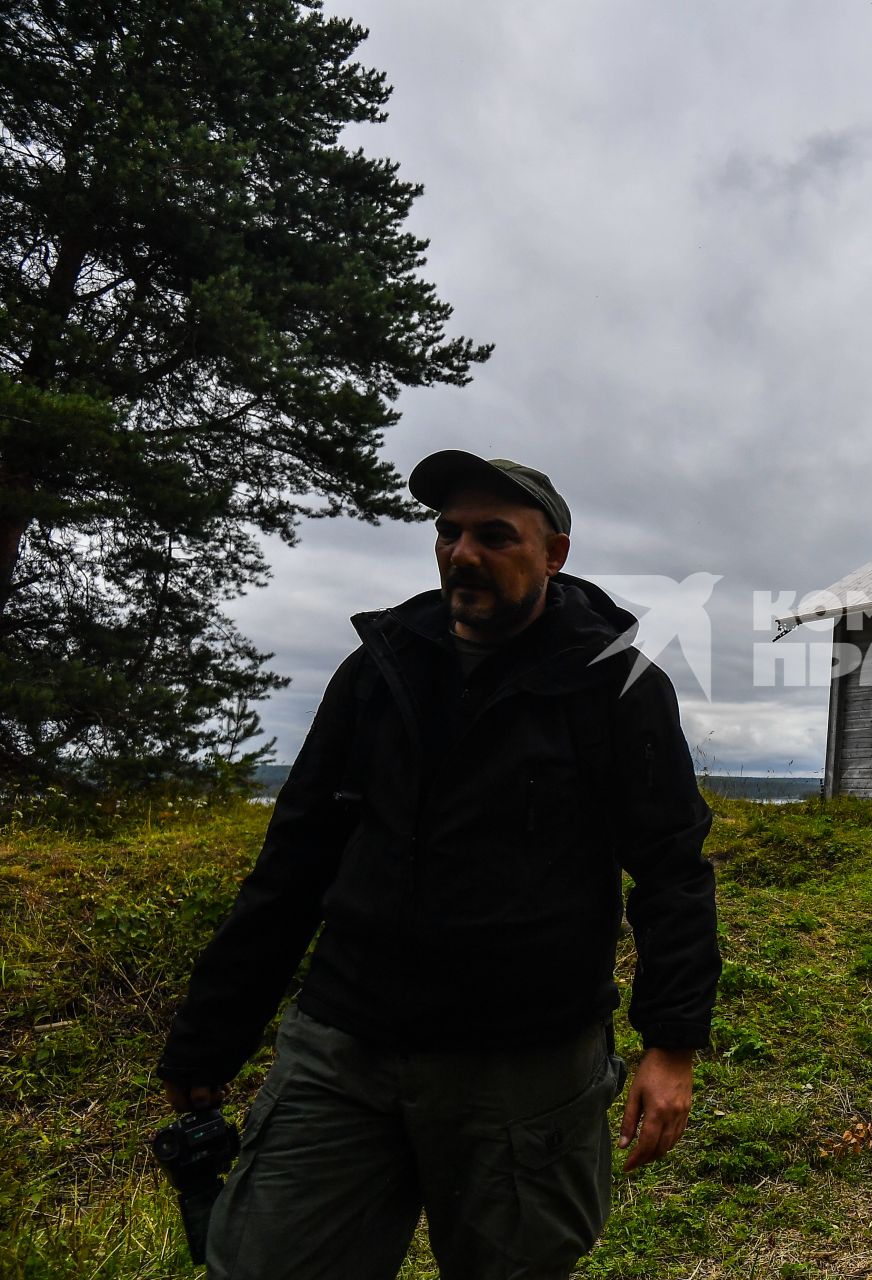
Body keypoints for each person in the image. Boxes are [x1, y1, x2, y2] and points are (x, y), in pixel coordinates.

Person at [155, 451, 720, 1279]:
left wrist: (671, 1045)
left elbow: (672, 870)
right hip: (345, 1046)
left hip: (525, 1069)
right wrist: (210, 1038)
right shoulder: (381, 668)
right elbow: (295, 859)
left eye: (495, 536)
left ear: (554, 553)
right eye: (448, 533)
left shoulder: (615, 686)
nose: (463, 553)